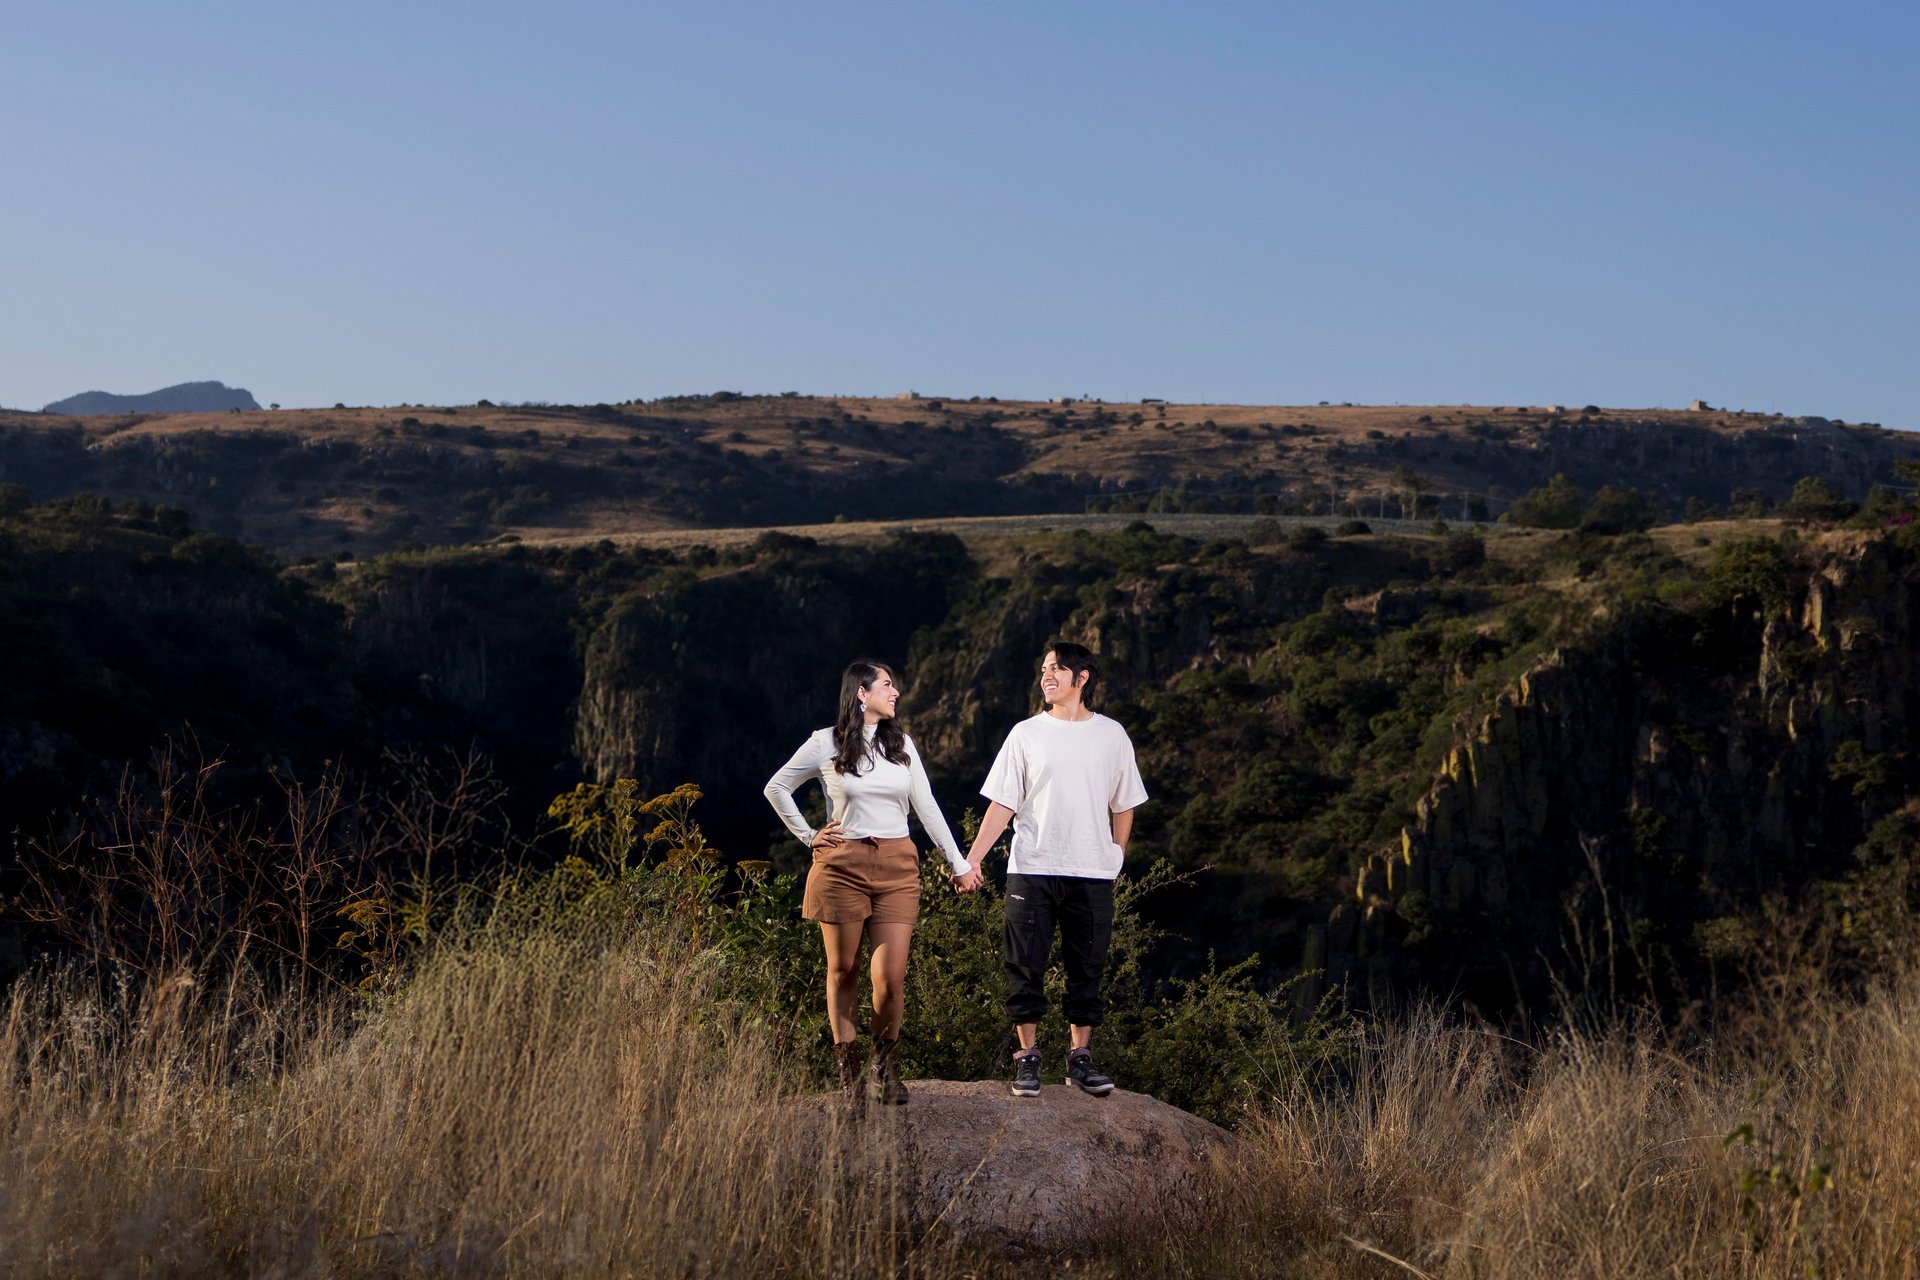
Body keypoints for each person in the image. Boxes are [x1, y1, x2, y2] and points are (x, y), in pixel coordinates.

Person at [764, 659, 970, 1105]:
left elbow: (927, 808)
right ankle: (850, 1072)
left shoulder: (903, 745)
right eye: (888, 685)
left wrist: (959, 863)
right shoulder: (825, 743)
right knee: (843, 969)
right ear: (861, 692)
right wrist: (809, 836)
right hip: (841, 866)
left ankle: (886, 1066)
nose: (895, 693)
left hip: (898, 864)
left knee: (890, 978)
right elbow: (776, 787)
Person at [955, 640, 1147, 1099]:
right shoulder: (1026, 734)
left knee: (1088, 966)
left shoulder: (1112, 735)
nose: (1047, 676)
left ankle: (1080, 1059)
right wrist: (973, 859)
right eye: (1044, 668)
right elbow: (1004, 802)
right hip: (1033, 867)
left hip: (1092, 871)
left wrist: (1117, 853)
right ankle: (1028, 1059)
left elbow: (1126, 802)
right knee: (1024, 963)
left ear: (1082, 679)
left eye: (1057, 669)